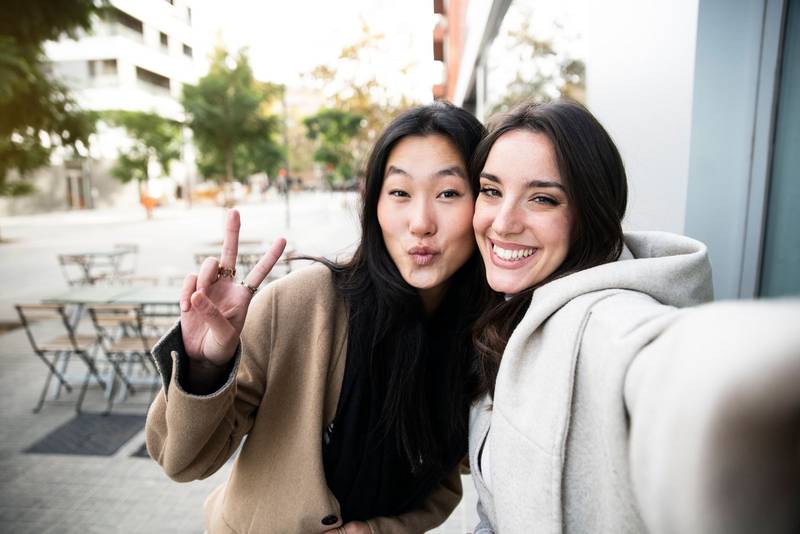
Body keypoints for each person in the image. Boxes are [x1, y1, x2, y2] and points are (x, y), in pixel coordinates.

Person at [145, 102, 491, 533]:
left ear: (484, 204)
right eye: (399, 193)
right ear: (374, 204)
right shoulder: (299, 305)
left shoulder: (483, 336)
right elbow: (182, 461)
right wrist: (204, 367)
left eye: (448, 193)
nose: (420, 223)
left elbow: (445, 477)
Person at [467, 100, 800, 533]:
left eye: (543, 199)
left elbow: (673, 364)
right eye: (491, 190)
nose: (503, 222)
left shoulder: (604, 319)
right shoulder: (510, 305)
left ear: (590, 214)